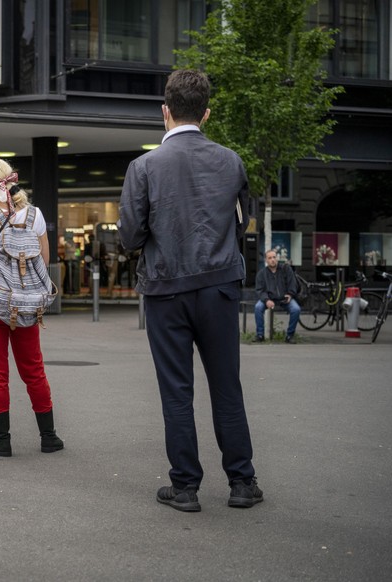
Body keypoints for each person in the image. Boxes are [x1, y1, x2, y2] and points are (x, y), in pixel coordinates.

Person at [118, 69, 262, 512]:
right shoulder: (232, 161)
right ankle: (242, 483)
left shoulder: (143, 167)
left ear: (165, 112)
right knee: (226, 386)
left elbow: (129, 236)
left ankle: (185, 488)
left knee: (176, 390)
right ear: (207, 112)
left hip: (165, 288)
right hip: (219, 284)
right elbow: (243, 222)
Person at [0, 158, 64, 458]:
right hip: (26, 302)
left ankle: (2, 439)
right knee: (33, 368)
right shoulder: (34, 215)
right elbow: (44, 261)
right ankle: (49, 437)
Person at [254, 249, 301, 343]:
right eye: (270, 258)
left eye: (274, 257)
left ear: (277, 258)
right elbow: (259, 290)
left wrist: (290, 294)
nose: (272, 260)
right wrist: (266, 300)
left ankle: (289, 336)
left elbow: (293, 283)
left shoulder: (286, 269)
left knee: (296, 309)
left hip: (285, 298)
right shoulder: (261, 274)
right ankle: (260, 335)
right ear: (266, 260)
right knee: (258, 307)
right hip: (269, 299)